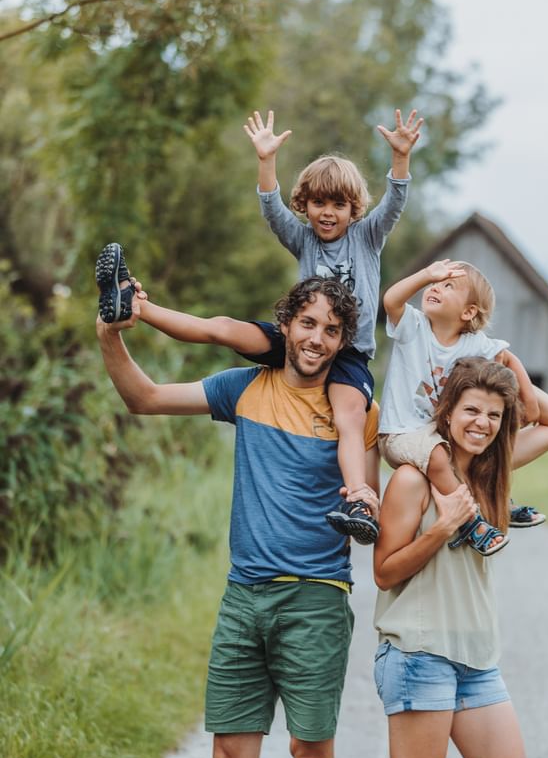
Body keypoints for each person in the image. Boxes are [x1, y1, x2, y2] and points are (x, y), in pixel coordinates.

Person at [96, 273, 380, 758]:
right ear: (285, 325)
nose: (317, 339)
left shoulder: (355, 411)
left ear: (343, 342)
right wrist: (109, 334)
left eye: (332, 330)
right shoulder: (244, 388)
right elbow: (145, 398)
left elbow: (368, 504)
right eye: (308, 323)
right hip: (243, 598)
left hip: (316, 599)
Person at [104, 108, 423, 546]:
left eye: (338, 205)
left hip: (348, 353)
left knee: (350, 418)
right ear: (305, 205)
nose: (327, 213)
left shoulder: (367, 237)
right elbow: (272, 210)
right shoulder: (303, 239)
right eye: (318, 203)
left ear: (354, 210)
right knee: (223, 328)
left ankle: (358, 501)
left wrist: (401, 158)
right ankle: (136, 305)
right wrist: (266, 160)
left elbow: (395, 204)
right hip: (299, 337)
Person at [373, 356, 548, 758]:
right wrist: (443, 528)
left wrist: (508, 361)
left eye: (494, 415)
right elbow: (384, 573)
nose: (482, 423)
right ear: (447, 412)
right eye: (471, 410)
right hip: (419, 652)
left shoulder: (489, 472)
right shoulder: (412, 479)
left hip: (477, 658)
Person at [378, 258, 545, 557]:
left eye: (448, 285)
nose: (435, 287)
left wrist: (529, 402)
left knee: (482, 447)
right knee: (439, 456)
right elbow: (391, 300)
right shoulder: (413, 326)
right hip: (399, 434)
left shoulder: (474, 344)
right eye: (434, 284)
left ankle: (497, 500)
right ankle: (471, 523)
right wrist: (425, 274)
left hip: (437, 435)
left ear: (468, 312)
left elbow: (507, 359)